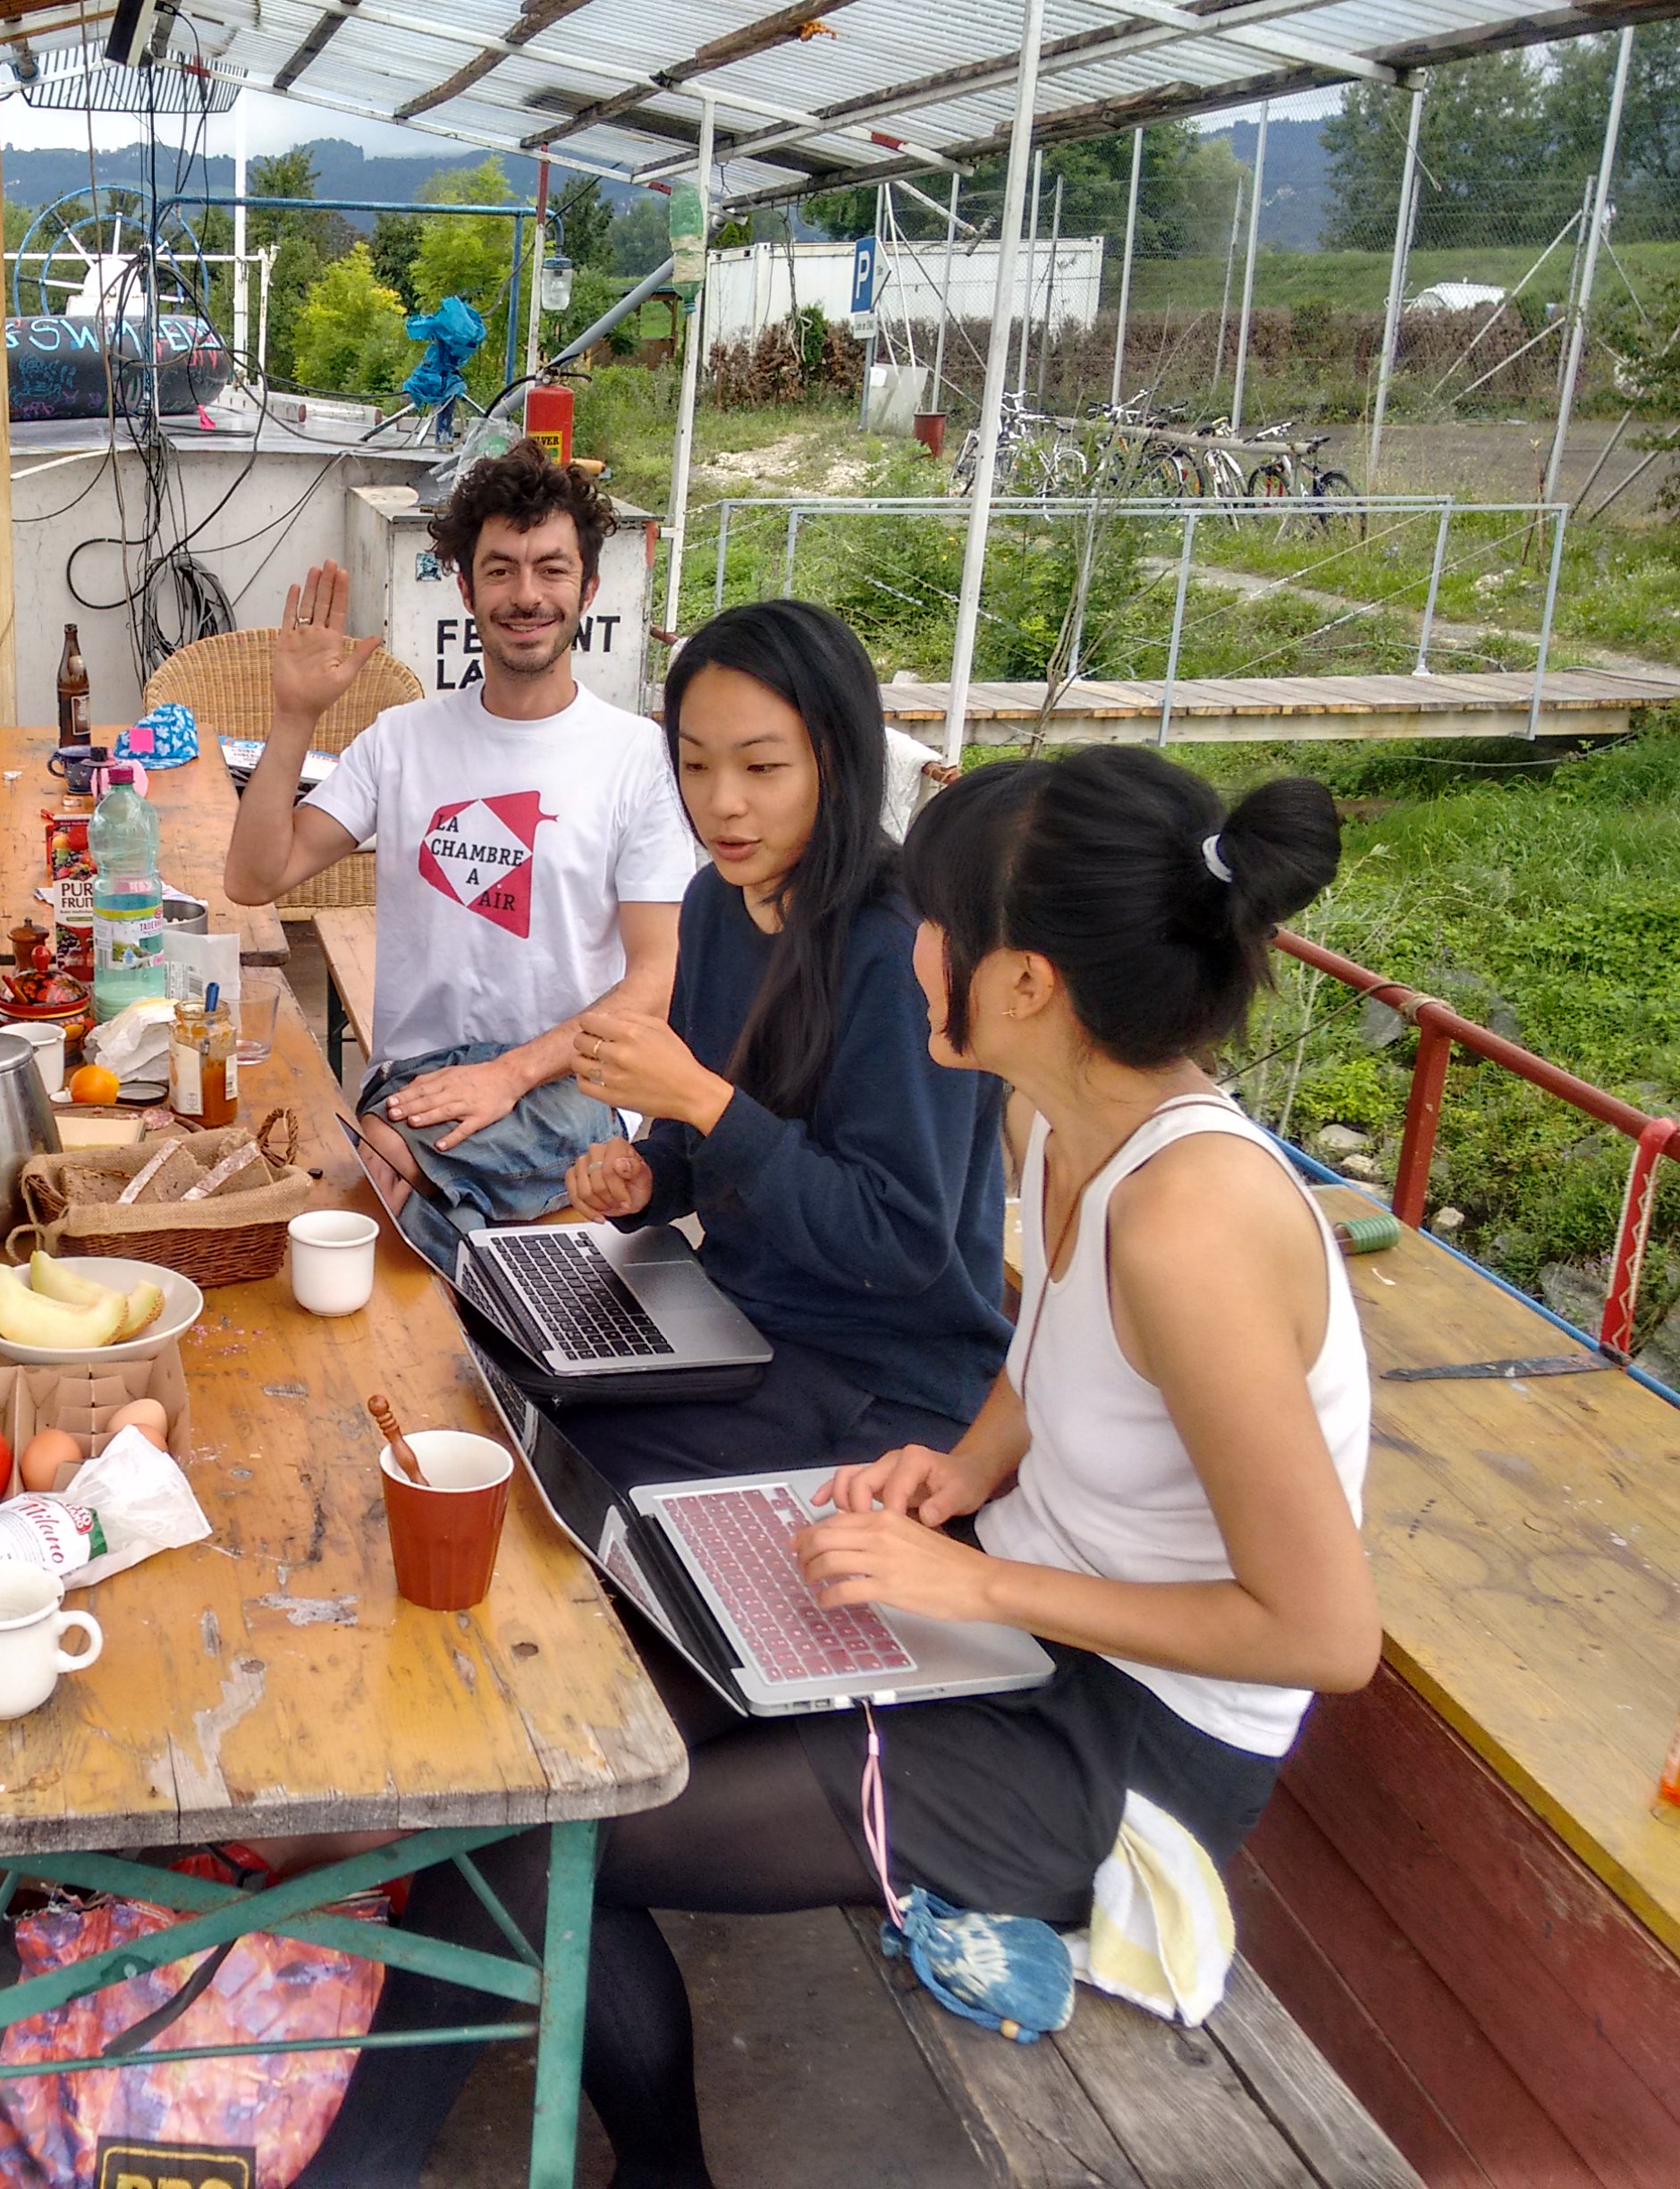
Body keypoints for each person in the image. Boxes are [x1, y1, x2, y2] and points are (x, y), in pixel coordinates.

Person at [302, 744, 1376, 2188]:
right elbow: (1041, 1351)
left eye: (928, 916)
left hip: (1118, 1747)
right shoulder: (1078, 1131)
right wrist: (957, 1462)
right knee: (543, 1748)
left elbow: (1321, 1635)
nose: (906, 943)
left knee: (527, 1846)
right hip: (1015, 1631)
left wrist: (976, 1569)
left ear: (1022, 981)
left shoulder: (1191, 1217)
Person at [554, 601, 1010, 1482]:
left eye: (762, 766)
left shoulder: (903, 947)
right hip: (739, 1319)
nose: (722, 804)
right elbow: (707, 1147)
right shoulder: (715, 905)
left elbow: (901, 1246)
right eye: (694, 765)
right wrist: (650, 1179)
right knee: (507, 1366)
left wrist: (697, 1099)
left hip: (884, 1375)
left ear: (835, 764)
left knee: (572, 1451)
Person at [224, 440, 688, 1259]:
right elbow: (255, 876)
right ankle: (440, 1205)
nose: (526, 595)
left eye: (551, 569)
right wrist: (293, 716)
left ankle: (402, 1167)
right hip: (417, 1083)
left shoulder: (637, 759)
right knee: (435, 1235)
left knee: (384, 1186)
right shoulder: (402, 741)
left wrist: (506, 1076)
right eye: (501, 569)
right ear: (467, 588)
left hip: (564, 1091)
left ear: (588, 587)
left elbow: (655, 979)